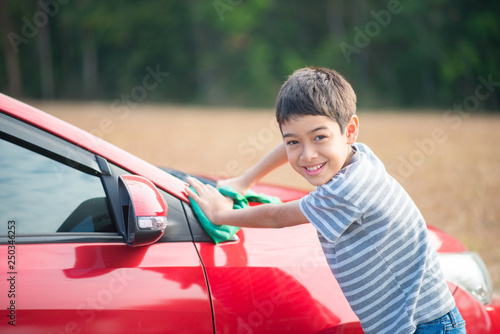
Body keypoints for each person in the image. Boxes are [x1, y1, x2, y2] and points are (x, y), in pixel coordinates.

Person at [186, 67, 466, 333]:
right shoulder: (359, 156)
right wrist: (246, 180)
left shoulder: (347, 190)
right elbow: (297, 140)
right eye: (294, 142)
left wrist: (221, 215)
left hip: (425, 326)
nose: (307, 155)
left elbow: (277, 217)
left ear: (350, 130)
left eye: (320, 137)